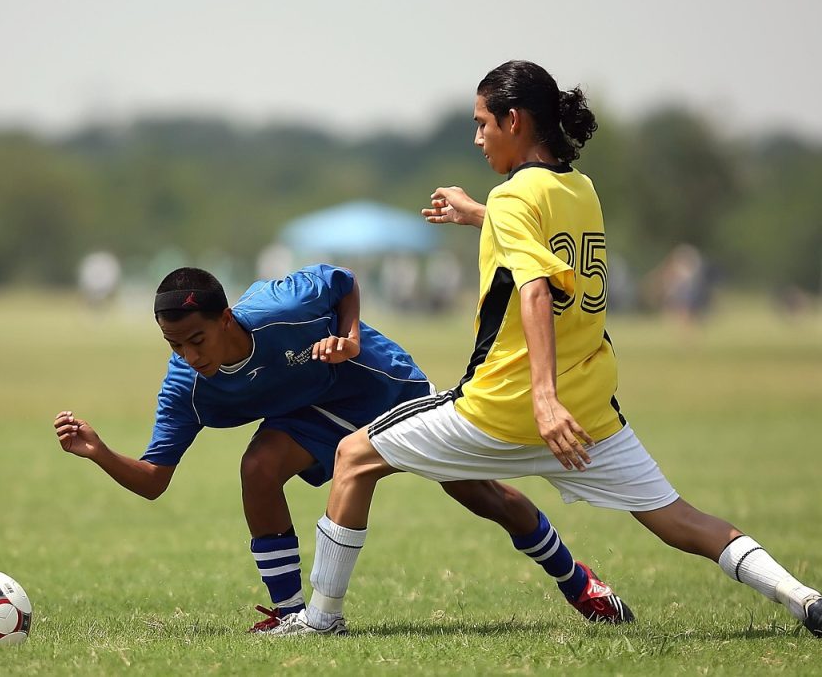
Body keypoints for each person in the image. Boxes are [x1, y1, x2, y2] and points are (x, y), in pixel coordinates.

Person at [269, 60, 822, 639]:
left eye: (482, 124)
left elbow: (536, 288)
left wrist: (543, 399)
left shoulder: (511, 198)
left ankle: (320, 620)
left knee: (353, 457)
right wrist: (479, 214)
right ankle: (806, 600)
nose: (477, 138)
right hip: (589, 416)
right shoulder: (581, 190)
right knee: (680, 520)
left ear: (515, 121)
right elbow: (546, 248)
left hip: (501, 408)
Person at [52, 263, 633, 632]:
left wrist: (351, 339)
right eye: (175, 345)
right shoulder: (189, 388)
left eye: (197, 339)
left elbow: (344, 281)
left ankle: (578, 582)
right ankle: (290, 615)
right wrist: (101, 451)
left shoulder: (281, 307)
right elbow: (155, 478)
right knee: (258, 467)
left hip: (377, 383)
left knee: (478, 494)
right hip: (308, 416)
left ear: (227, 317)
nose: (189, 355)